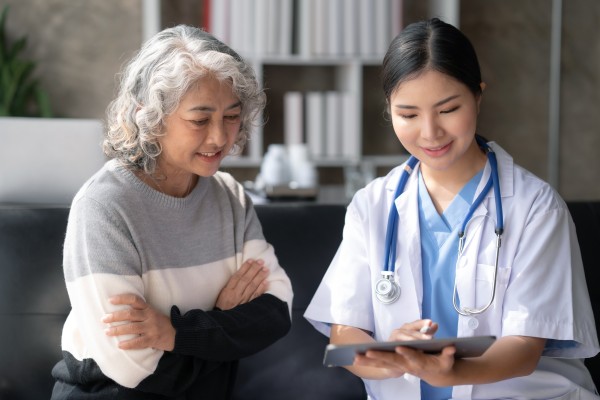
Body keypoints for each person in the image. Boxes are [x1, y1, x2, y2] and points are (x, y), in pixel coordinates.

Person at [304, 18, 599, 400]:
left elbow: (525, 348)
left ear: (478, 95)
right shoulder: (372, 205)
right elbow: (345, 334)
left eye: (447, 109)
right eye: (408, 114)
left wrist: (450, 374)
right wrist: (393, 355)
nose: (429, 132)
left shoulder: (536, 208)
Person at [51, 25, 293, 399]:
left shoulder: (230, 196)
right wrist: (222, 326)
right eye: (200, 120)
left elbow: (277, 313)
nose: (219, 137)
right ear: (150, 117)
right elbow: (131, 368)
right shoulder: (104, 207)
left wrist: (176, 333)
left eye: (231, 116)